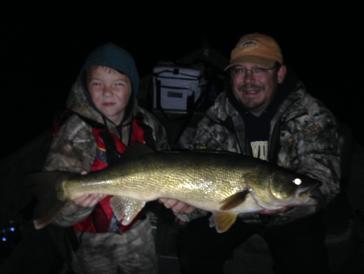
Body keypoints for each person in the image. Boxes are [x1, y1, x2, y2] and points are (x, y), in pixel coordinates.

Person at [160, 33, 342, 274]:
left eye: (259, 70)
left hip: (291, 213)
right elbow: (203, 178)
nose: (248, 80)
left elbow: (323, 175)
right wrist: (187, 207)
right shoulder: (216, 117)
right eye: (239, 70)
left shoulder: (310, 114)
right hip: (235, 210)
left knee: (307, 260)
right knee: (193, 247)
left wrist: (294, 205)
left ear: (279, 73)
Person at [43, 43, 169, 274]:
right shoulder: (74, 132)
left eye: (118, 84)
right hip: (91, 239)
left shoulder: (149, 125)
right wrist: (77, 207)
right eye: (97, 83)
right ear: (85, 87)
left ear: (132, 88)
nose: (107, 92)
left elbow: (169, 168)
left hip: (139, 231)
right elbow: (58, 215)